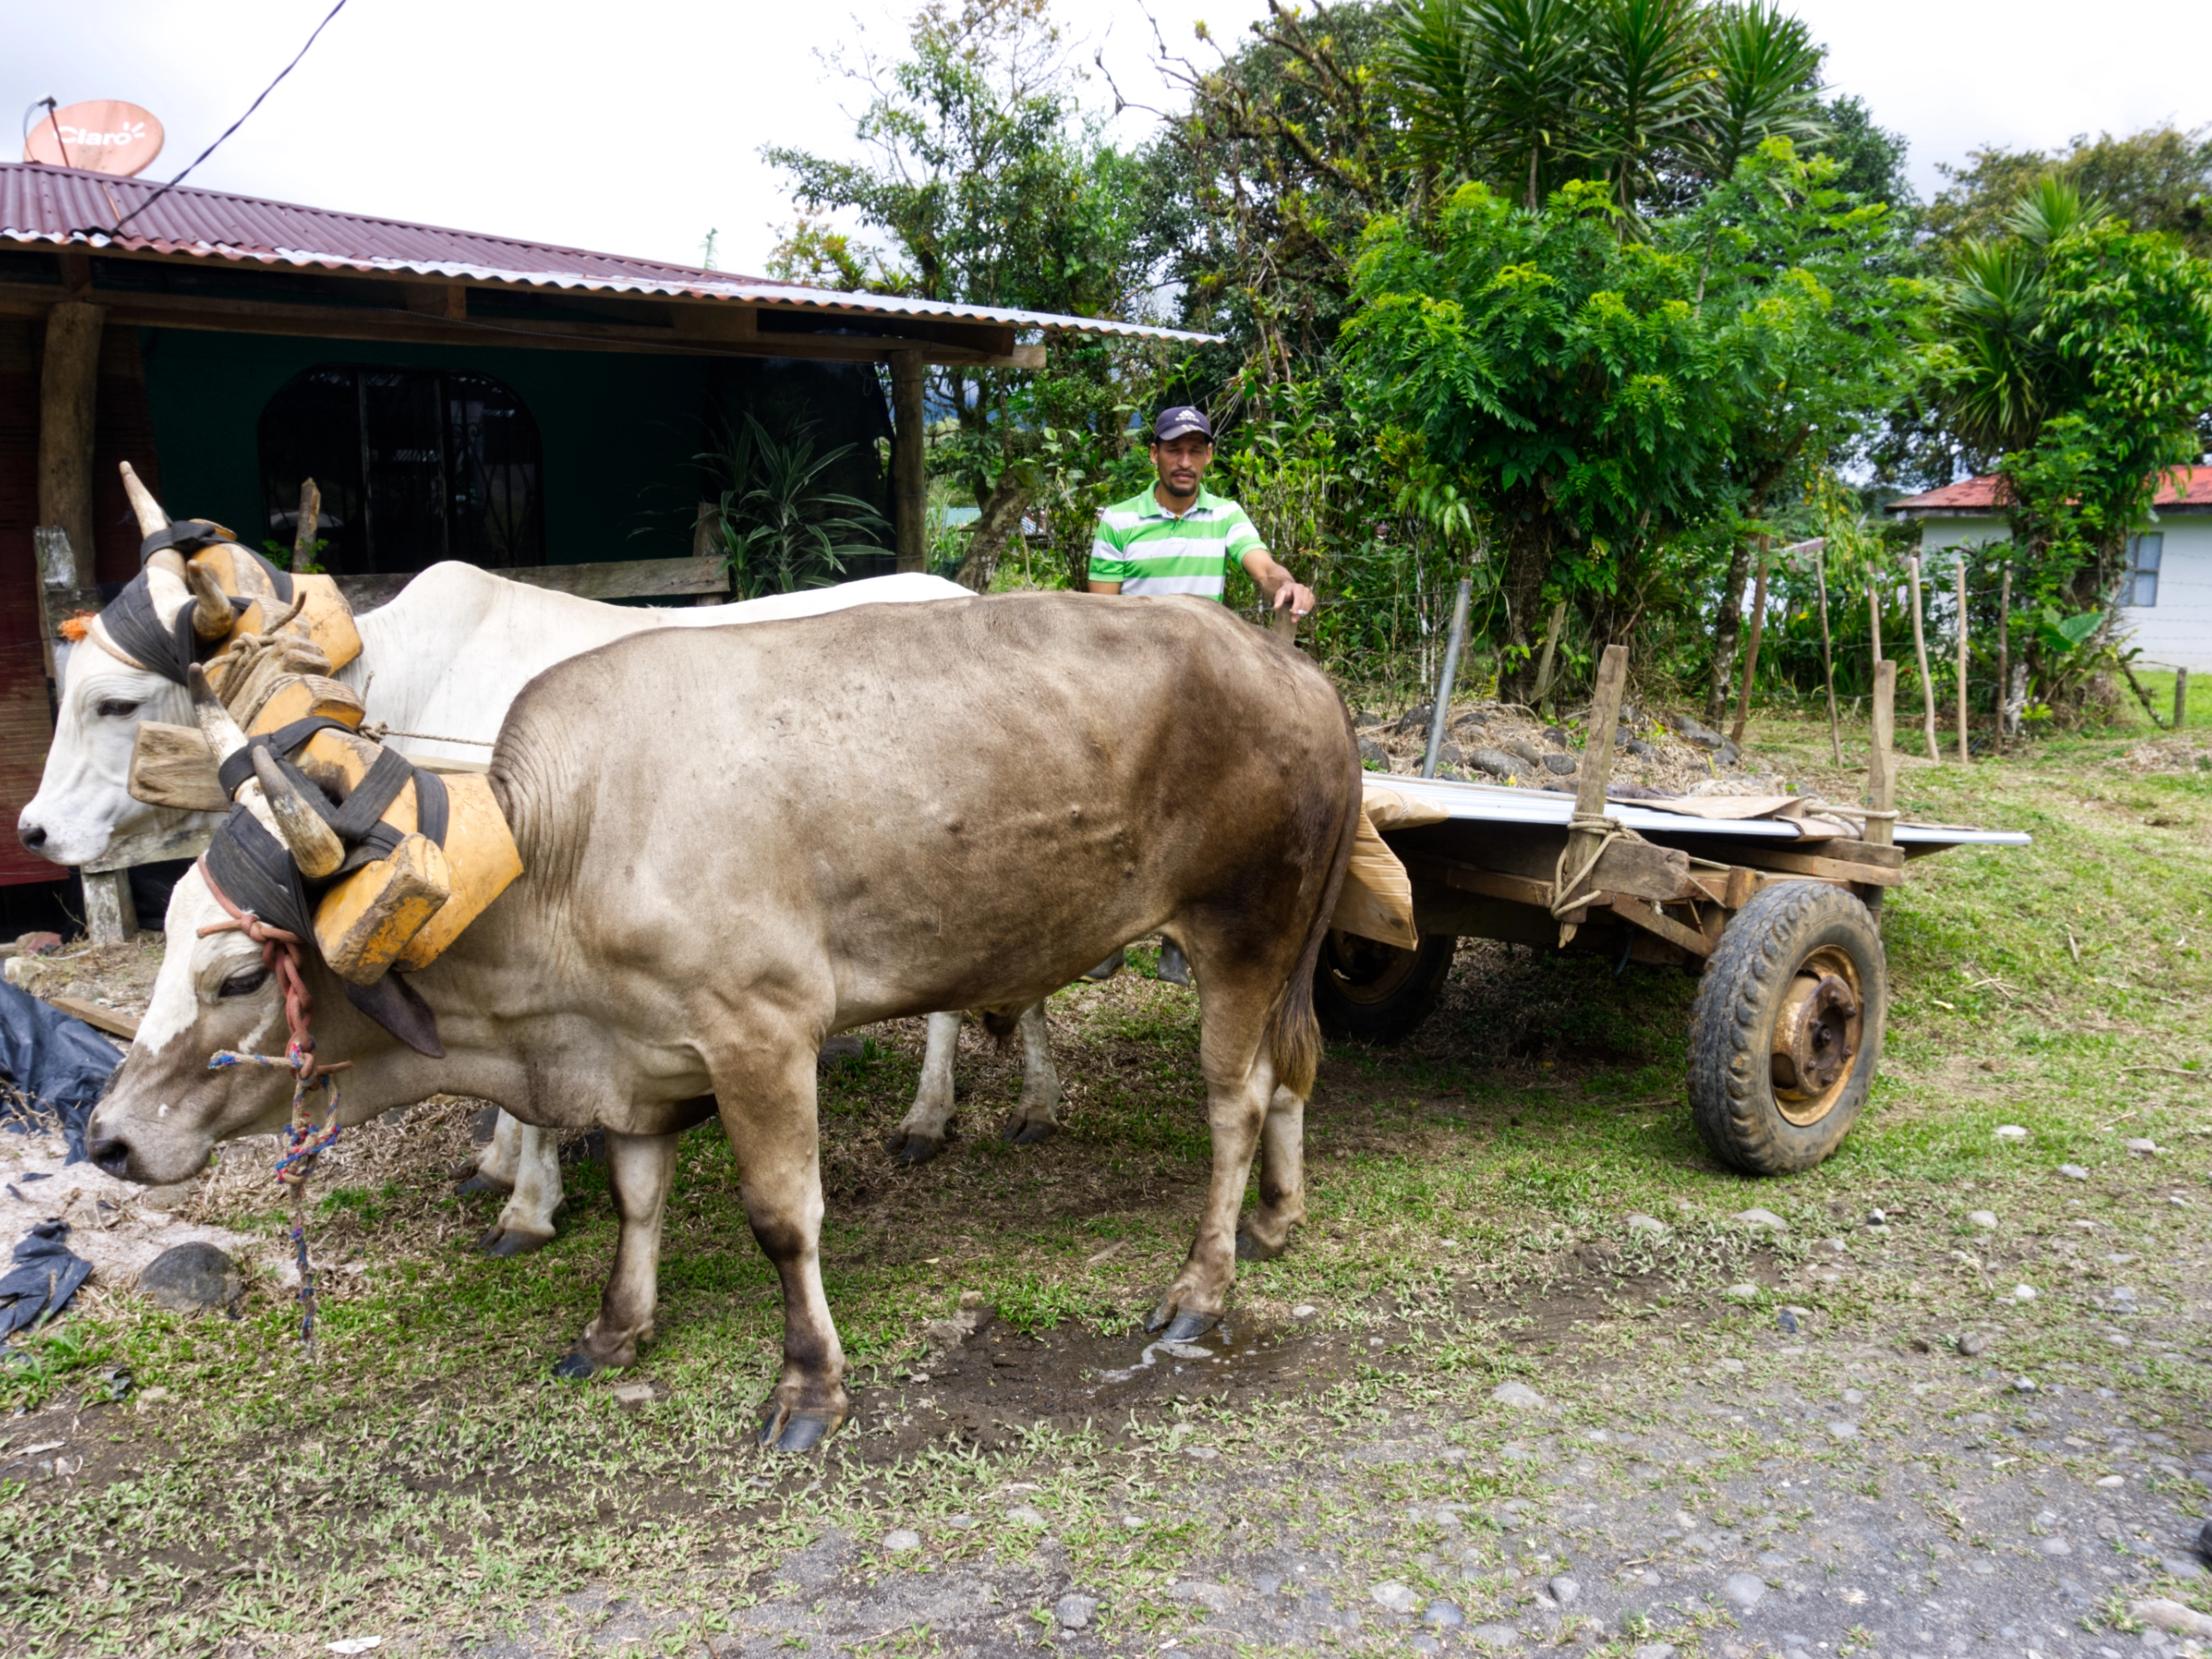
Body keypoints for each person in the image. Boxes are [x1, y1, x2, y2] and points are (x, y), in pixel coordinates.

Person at [1082, 406, 1316, 986]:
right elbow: (1098, 615)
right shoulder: (1119, 520)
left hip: (1200, 696)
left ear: (1208, 456)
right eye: (1173, 449)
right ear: (1154, 455)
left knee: (1193, 815)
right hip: (1129, 691)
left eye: (1195, 450)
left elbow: (1260, 567)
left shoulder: (1224, 515)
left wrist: (1285, 587)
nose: (1185, 461)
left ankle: (1176, 941)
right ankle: (1103, 939)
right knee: (1117, 812)